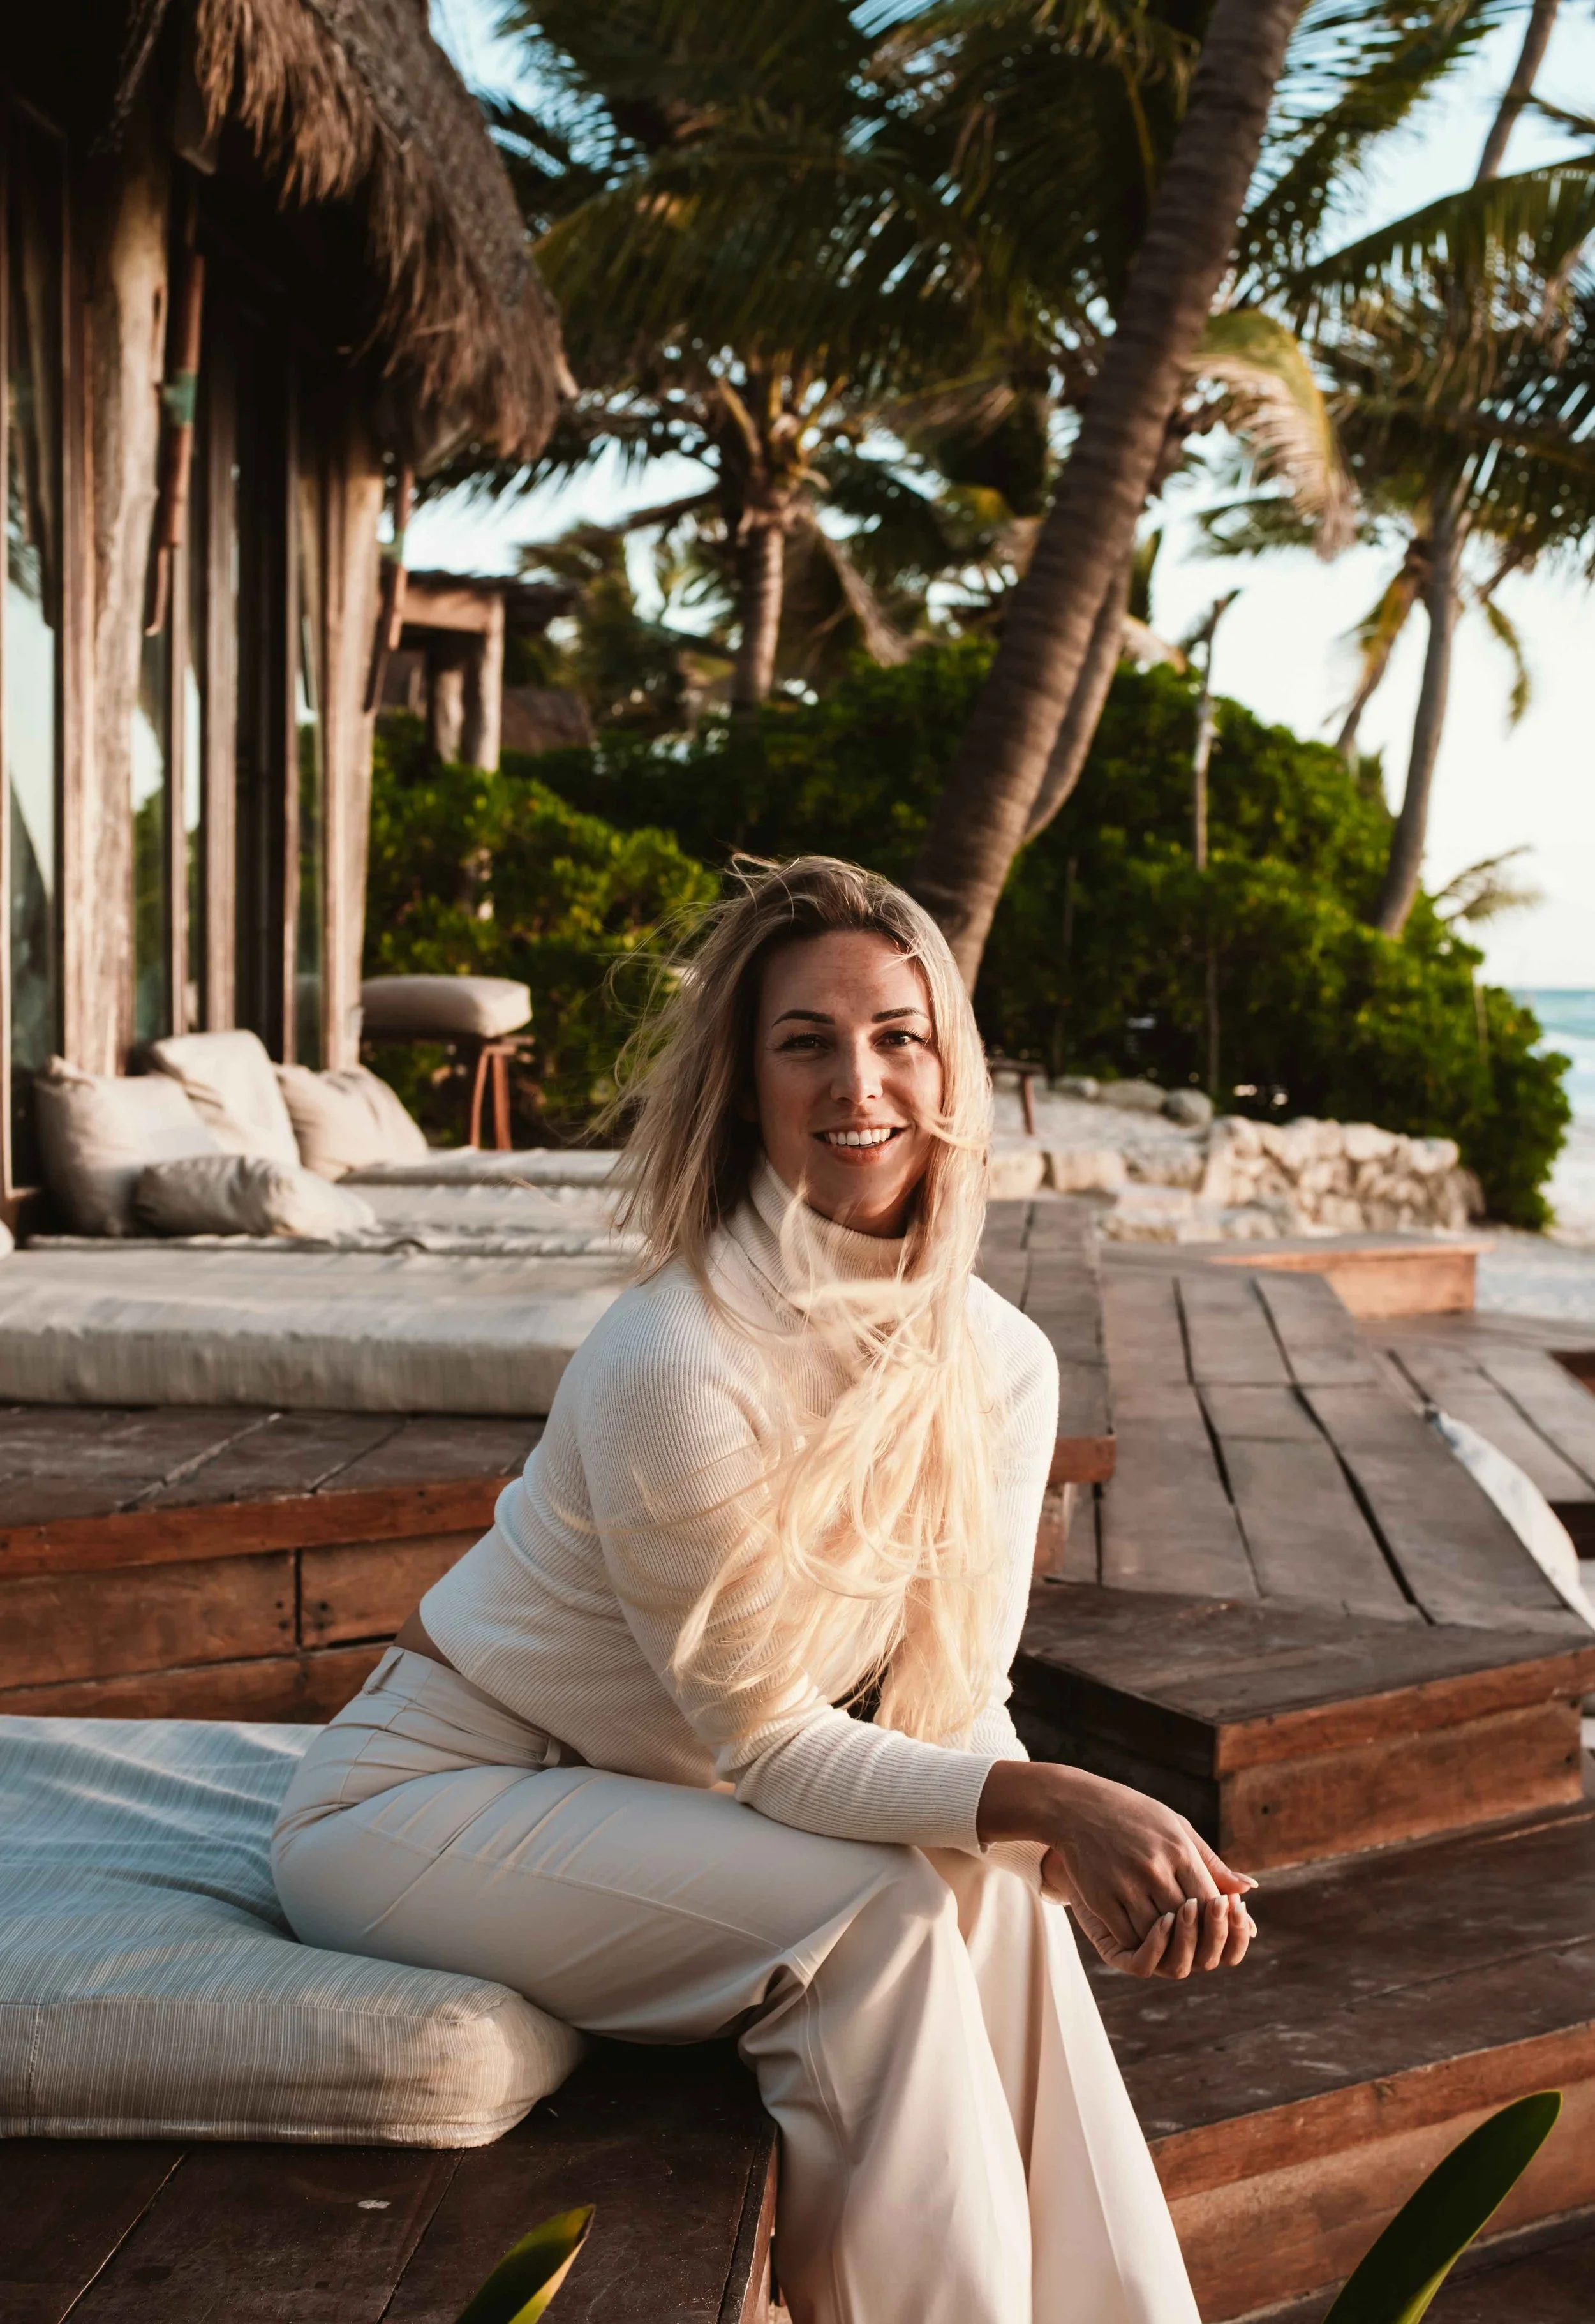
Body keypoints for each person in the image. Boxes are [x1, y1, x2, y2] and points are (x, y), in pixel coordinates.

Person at [272, 856, 1255, 2324]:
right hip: (422, 1802)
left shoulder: (998, 1362)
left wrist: (1051, 1860)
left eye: (895, 1036)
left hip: (652, 1802)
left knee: (995, 1907)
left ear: (950, 1070)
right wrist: (1062, 1803)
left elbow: (954, 1703)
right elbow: (765, 1744)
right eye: (805, 1041)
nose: (857, 1081)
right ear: (743, 1082)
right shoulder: (671, 1356)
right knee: (883, 1917)